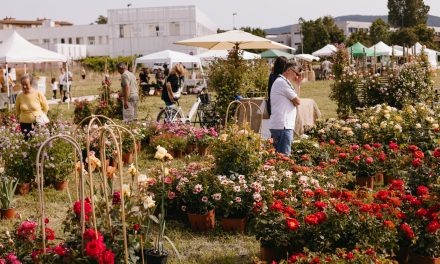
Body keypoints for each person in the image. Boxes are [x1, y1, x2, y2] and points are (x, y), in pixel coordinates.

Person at [269, 61, 303, 156]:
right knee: (284, 159)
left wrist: (298, 84)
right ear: (289, 70)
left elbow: (296, 100)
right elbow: (298, 101)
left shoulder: (283, 82)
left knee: (278, 158)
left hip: (281, 125)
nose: (297, 77)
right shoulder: (282, 82)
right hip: (283, 126)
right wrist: (297, 84)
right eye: (296, 73)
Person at [15, 74, 49, 140]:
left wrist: (42, 117)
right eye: (23, 84)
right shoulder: (19, 96)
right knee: (27, 143)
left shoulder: (38, 93)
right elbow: (17, 110)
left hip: (38, 123)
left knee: (38, 142)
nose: (24, 86)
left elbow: (46, 107)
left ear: (31, 84)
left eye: (26, 84)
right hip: (24, 124)